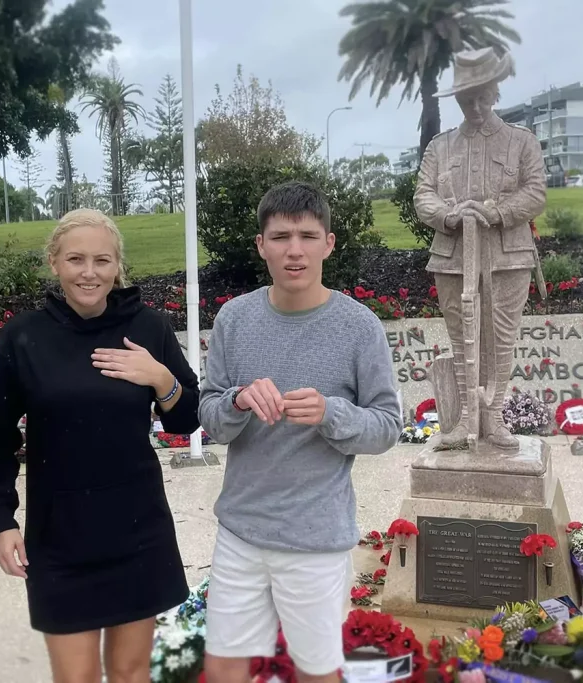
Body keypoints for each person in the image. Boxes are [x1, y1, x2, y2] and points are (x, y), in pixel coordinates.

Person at [0, 208, 201, 683]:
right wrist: (0, 519)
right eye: (76, 259)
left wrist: (161, 379)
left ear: (118, 266)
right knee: (75, 677)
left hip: (139, 531)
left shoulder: (149, 328)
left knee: (129, 672)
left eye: (102, 260)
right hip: (59, 538)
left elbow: (186, 416)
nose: (89, 272)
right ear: (54, 262)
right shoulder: (24, 337)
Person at [198, 181, 403, 683]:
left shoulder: (359, 327)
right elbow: (209, 416)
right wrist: (239, 400)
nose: (295, 250)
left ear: (329, 244)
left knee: (316, 672)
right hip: (240, 531)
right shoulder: (234, 319)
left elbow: (388, 426)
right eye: (281, 236)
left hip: (315, 540)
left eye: (308, 236)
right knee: (224, 668)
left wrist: (331, 413)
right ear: (260, 245)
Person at [413, 47, 546, 450]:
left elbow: (535, 192)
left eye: (482, 96)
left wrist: (496, 212)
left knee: (501, 338)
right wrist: (451, 217)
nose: (474, 105)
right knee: (463, 339)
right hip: (454, 259)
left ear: (495, 93)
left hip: (508, 256)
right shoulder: (440, 147)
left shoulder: (521, 142)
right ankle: (467, 417)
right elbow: (424, 196)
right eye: (465, 98)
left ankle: (495, 414)